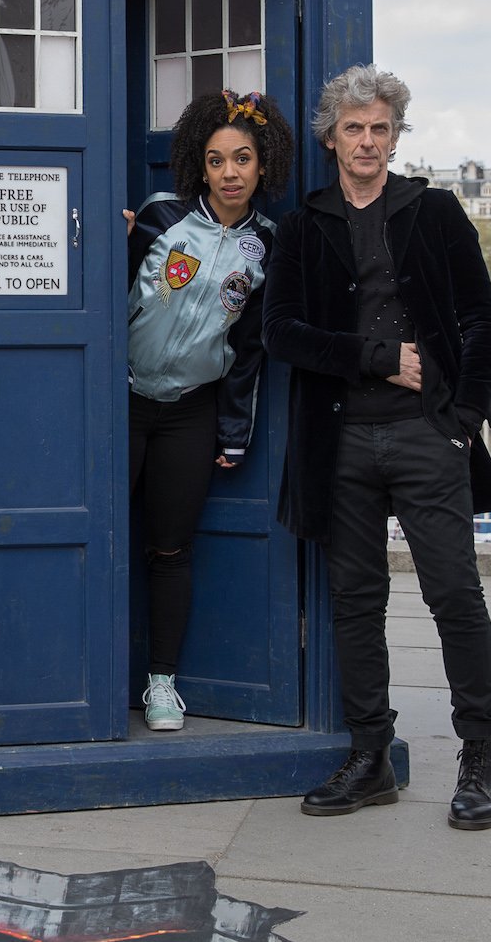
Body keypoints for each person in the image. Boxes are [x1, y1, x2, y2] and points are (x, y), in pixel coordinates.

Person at [261, 64, 491, 830]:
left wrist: (463, 417)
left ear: (396, 137)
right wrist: (376, 357)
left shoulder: (434, 211)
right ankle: (371, 756)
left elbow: (481, 320)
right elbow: (281, 332)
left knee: (454, 594)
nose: (367, 141)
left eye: (380, 128)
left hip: (426, 434)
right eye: (354, 128)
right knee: (357, 602)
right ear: (331, 138)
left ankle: (478, 756)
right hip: (339, 441)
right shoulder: (304, 227)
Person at [124, 89, 294, 731]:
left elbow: (249, 349)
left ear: (262, 164)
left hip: (190, 414)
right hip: (122, 402)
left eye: (242, 159)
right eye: (217, 160)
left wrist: (234, 430)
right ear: (200, 164)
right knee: (100, 534)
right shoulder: (159, 216)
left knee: (171, 550)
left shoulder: (267, 245)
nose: (230, 173)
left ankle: (161, 683)